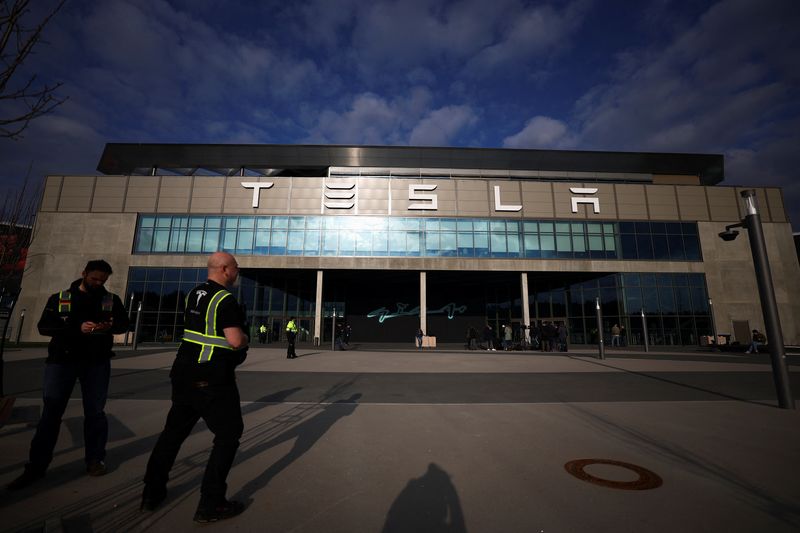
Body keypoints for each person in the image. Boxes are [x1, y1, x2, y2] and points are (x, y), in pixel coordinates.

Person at [141, 252, 249, 523]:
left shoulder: (194, 294)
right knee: (228, 435)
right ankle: (211, 503)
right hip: (211, 377)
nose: (238, 272)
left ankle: (151, 494)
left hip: (183, 373)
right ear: (225, 269)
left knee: (172, 434)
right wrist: (246, 338)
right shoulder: (225, 299)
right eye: (236, 268)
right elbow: (234, 340)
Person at [7, 260, 129, 491]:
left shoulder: (110, 300)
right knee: (51, 413)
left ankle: (94, 460)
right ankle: (37, 465)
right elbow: (45, 327)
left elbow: (123, 325)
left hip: (96, 363)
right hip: (62, 362)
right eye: (94, 279)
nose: (98, 283)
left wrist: (110, 326)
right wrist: (78, 328)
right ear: (83, 273)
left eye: (102, 280)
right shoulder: (62, 298)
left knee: (95, 413)